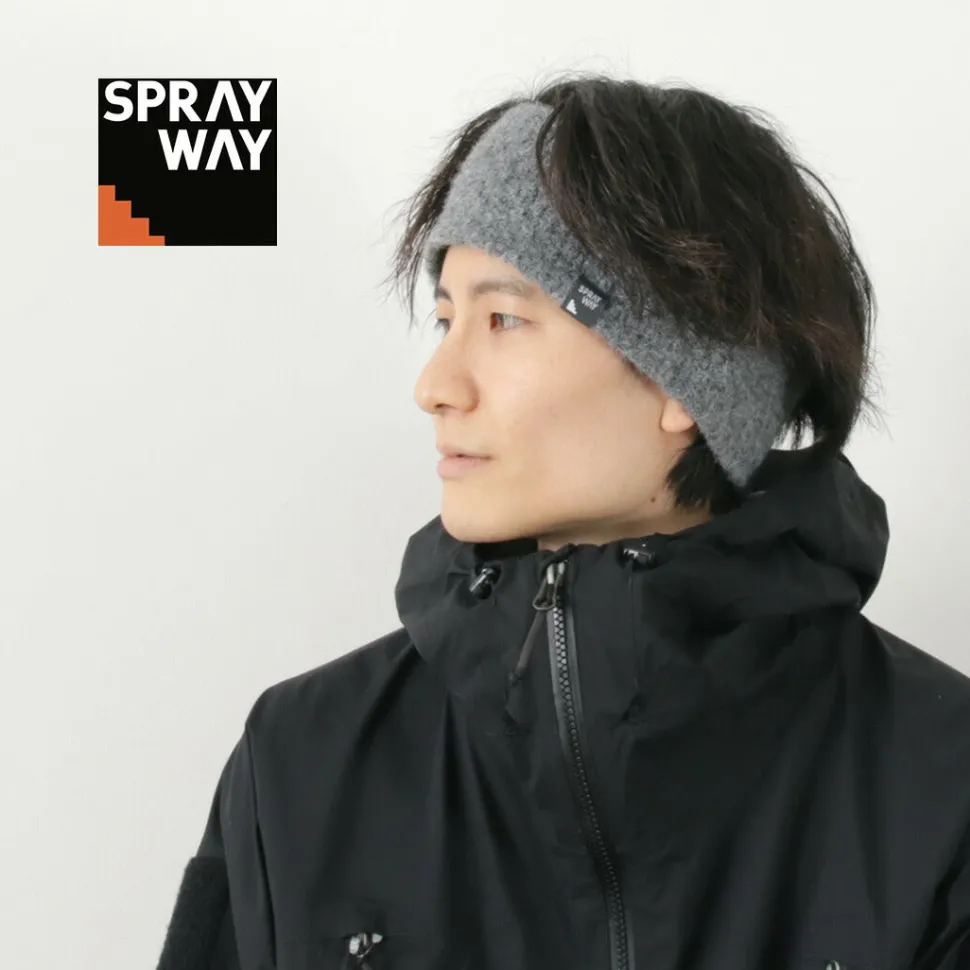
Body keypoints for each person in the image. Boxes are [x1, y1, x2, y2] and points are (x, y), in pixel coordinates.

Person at [154, 72, 970, 970]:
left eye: (504, 320)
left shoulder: (941, 779)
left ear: (690, 378)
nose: (436, 386)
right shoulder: (301, 760)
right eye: (445, 319)